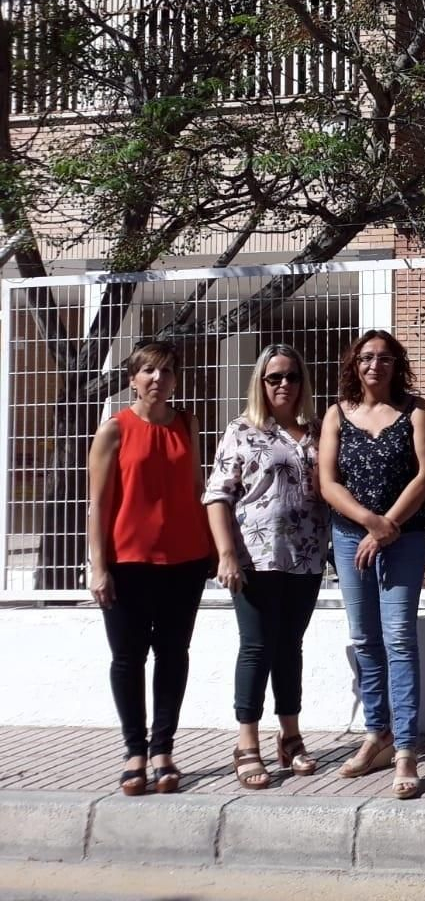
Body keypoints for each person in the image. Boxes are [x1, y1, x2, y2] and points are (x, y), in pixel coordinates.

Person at [86, 339, 216, 796]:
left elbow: (197, 486)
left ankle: (163, 749)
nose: (157, 379)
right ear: (132, 379)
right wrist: (97, 566)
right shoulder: (114, 429)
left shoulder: (188, 423)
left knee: (173, 655)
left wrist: (215, 547)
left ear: (176, 380)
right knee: (127, 658)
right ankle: (134, 752)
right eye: (148, 372)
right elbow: (97, 502)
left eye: (166, 372)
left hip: (185, 559)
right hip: (127, 562)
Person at [318, 330, 425, 800]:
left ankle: (406, 748)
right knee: (366, 639)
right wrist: (369, 523)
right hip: (351, 538)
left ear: (396, 364)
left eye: (385, 358)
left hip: (404, 539)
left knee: (400, 640)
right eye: (367, 358)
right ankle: (378, 734)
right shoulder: (336, 414)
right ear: (355, 364)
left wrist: (388, 525)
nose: (375, 365)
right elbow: (327, 482)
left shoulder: (416, 411)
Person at [204, 343, 330, 790]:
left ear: (302, 382)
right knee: (257, 646)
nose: (283, 384)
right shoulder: (243, 429)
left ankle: (290, 736)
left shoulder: (316, 430)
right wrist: (226, 554)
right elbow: (218, 494)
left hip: (307, 556)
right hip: (255, 559)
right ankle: (247, 743)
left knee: (290, 646)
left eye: (291, 376)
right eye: (273, 377)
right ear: (260, 382)